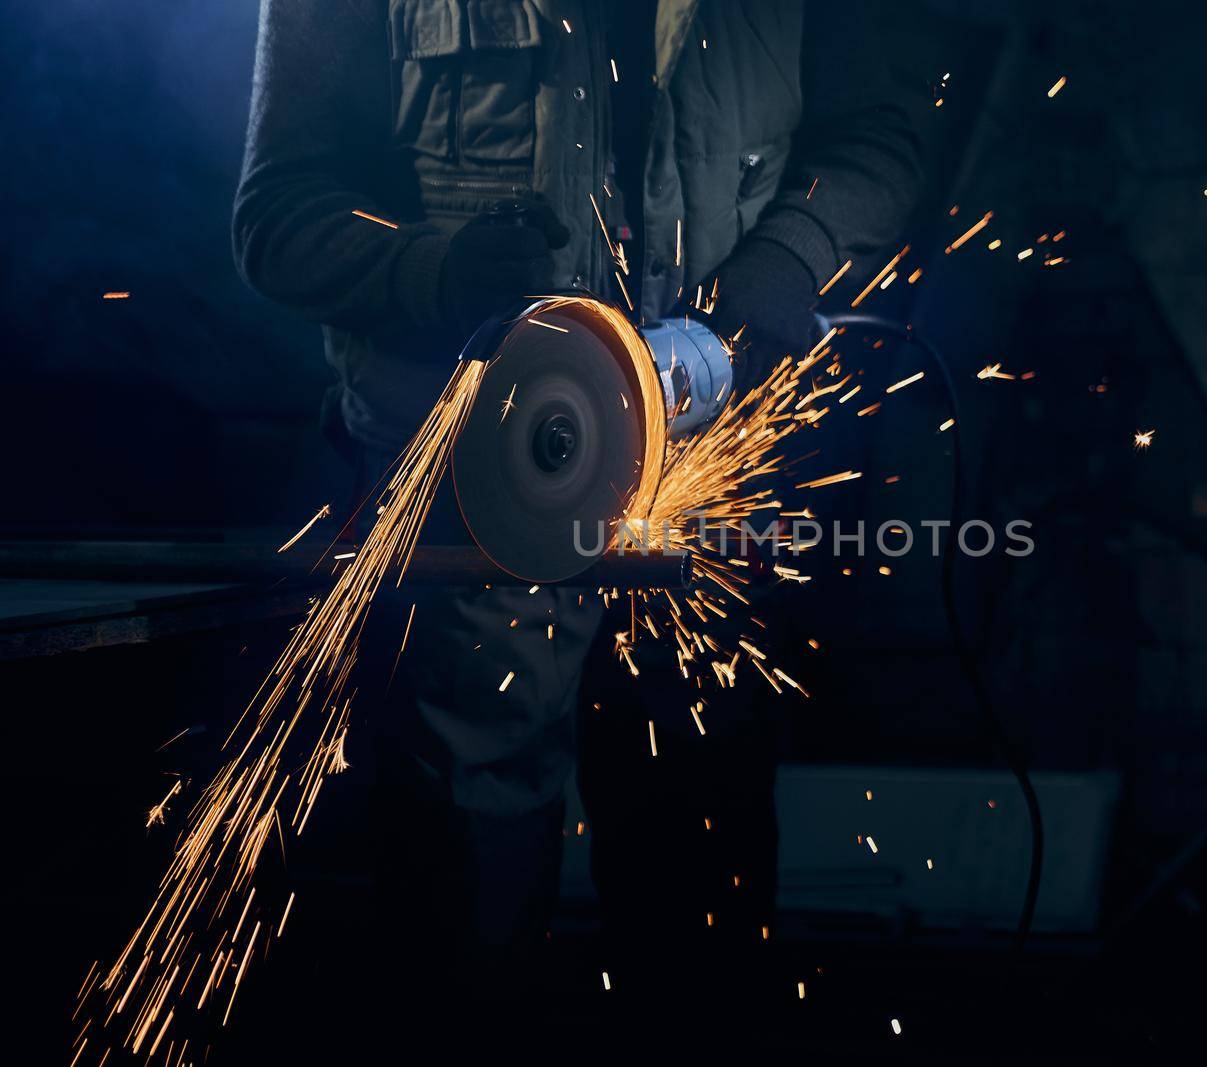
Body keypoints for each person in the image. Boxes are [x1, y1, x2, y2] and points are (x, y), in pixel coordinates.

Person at [233, 0, 928, 1052]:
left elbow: (879, 135)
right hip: (476, 488)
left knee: (701, 866)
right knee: (466, 890)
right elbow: (279, 214)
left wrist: (788, 255)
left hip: (702, 468)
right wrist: (432, 269)